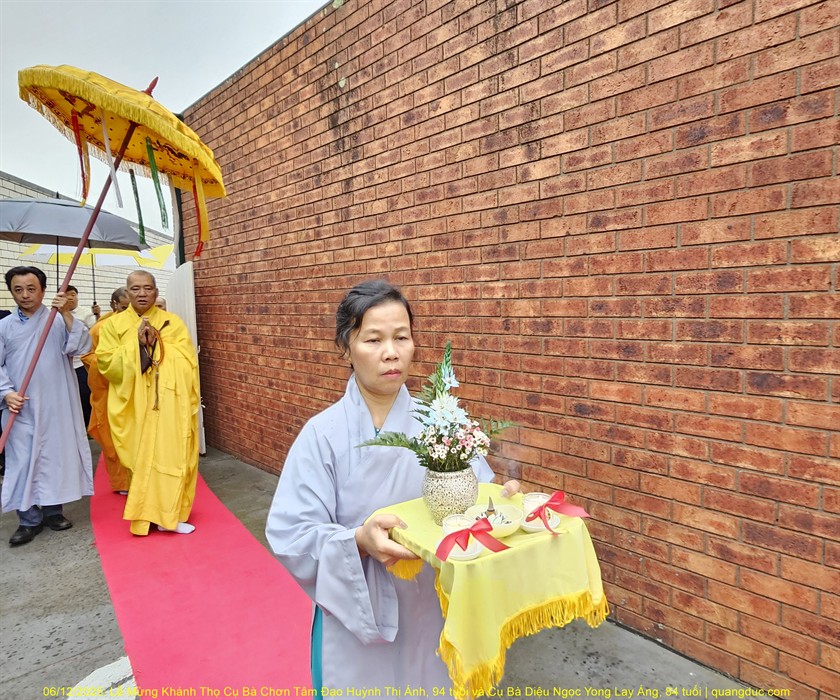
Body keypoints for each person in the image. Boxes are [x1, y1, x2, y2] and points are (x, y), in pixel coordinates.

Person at [265, 279, 519, 691]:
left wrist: (500, 504)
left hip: (434, 603)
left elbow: (476, 500)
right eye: (373, 339)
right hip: (360, 605)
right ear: (346, 348)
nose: (391, 352)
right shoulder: (321, 434)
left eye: (401, 337)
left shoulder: (442, 424)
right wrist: (358, 541)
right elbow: (291, 533)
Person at [96, 271, 200, 536]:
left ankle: (169, 516)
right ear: (127, 292)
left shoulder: (171, 322)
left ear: (156, 292)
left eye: (147, 288)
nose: (142, 293)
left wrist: (158, 344)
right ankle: (146, 517)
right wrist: (137, 345)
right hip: (133, 405)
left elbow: (188, 360)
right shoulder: (113, 326)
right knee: (141, 460)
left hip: (167, 403)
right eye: (135, 289)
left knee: (171, 456)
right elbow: (107, 364)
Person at [0, 266, 93, 546]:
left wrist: (66, 314)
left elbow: (81, 347)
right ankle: (28, 519)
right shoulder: (4, 326)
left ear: (43, 290)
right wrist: (6, 393)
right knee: (22, 462)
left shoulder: (57, 320)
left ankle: (53, 512)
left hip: (55, 402)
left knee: (54, 456)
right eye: (18, 289)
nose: (25, 295)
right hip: (20, 406)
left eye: (31, 289)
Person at [81, 287, 132, 494]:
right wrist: (110, 363)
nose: (128, 312)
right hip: (108, 390)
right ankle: (122, 482)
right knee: (112, 438)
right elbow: (87, 356)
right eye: (124, 307)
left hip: (134, 390)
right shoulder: (99, 329)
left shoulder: (140, 325)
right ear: (114, 305)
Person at [65, 285, 92, 429]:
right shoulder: (55, 315)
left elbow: (93, 334)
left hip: (81, 362)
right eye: (66, 294)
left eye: (73, 294)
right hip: (64, 364)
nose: (70, 297)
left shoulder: (85, 314)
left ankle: (87, 424)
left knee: (84, 393)